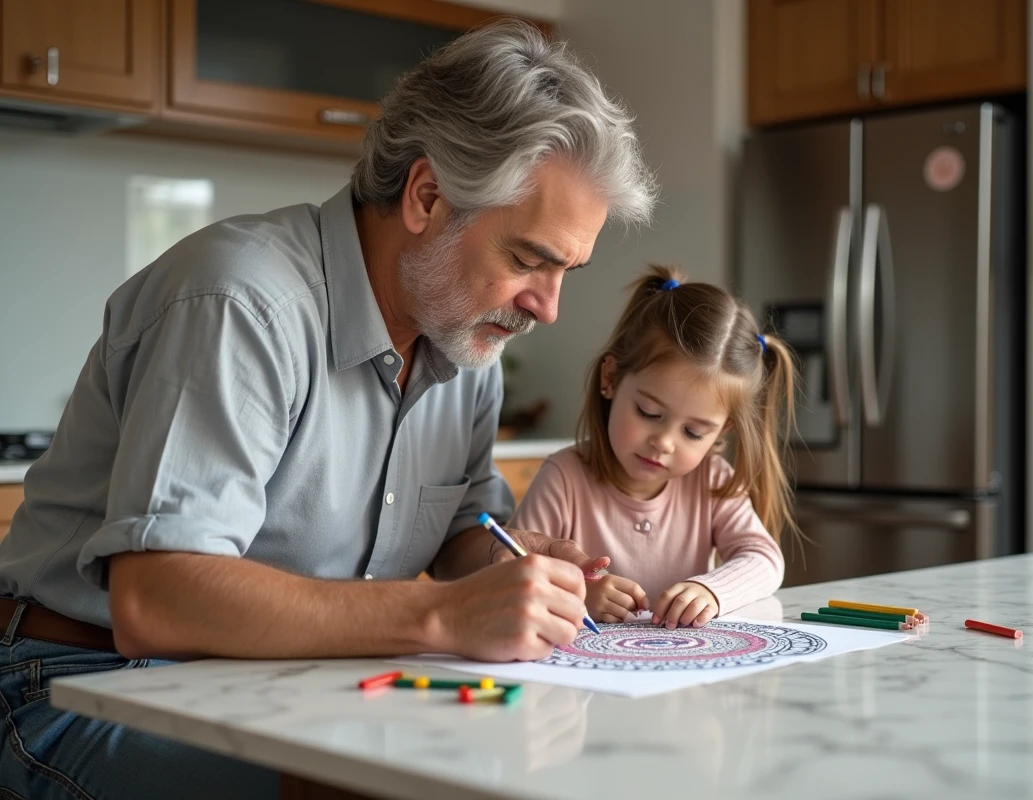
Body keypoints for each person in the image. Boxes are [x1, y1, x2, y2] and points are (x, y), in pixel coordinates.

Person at [0, 20, 655, 799]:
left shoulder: (466, 343)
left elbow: (461, 537)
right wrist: (443, 615)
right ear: (426, 195)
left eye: (566, 271)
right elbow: (158, 598)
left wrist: (515, 564)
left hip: (280, 686)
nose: (547, 308)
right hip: (85, 683)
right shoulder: (243, 302)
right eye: (527, 260)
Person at [511, 265, 799, 630]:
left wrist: (710, 591)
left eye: (694, 433)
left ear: (720, 432)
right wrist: (581, 595)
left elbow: (764, 559)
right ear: (610, 378)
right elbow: (514, 569)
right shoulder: (564, 478)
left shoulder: (712, 481)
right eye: (649, 412)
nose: (664, 442)